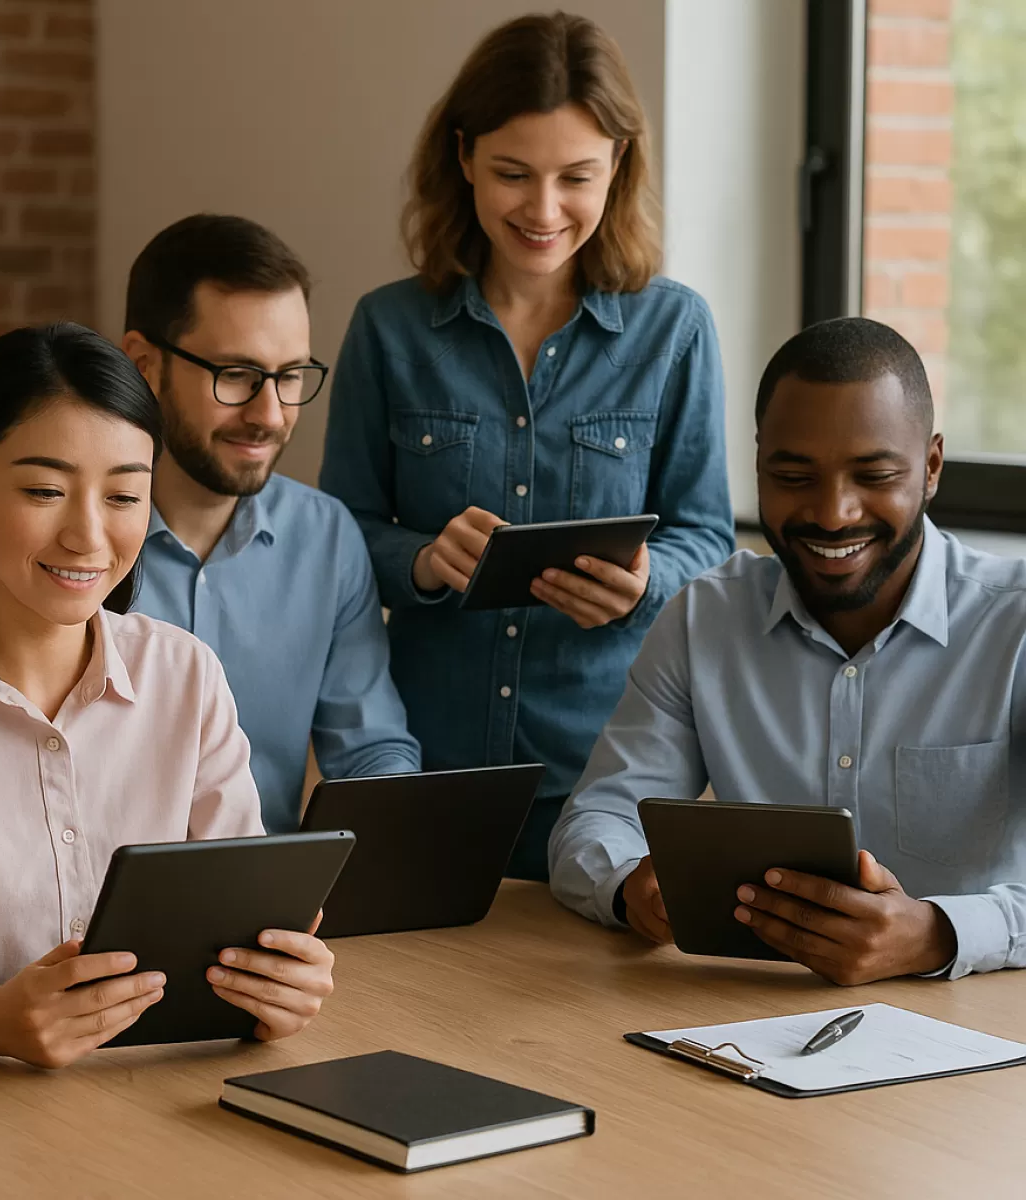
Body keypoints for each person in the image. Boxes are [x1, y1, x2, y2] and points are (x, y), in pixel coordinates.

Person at [0, 324, 335, 1073]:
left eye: (125, 494)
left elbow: (237, 931)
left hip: (155, 1110)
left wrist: (275, 987)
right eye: (44, 490)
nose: (88, 536)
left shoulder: (185, 677)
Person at [320, 12, 734, 880]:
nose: (543, 211)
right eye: (512, 173)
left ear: (617, 166)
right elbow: (344, 529)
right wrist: (426, 561)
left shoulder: (675, 329)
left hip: (603, 774)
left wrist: (644, 583)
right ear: (463, 155)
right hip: (428, 765)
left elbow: (708, 538)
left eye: (575, 177)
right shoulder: (388, 328)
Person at [549, 316, 1026, 983]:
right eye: (795, 476)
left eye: (874, 475)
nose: (833, 513)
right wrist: (631, 886)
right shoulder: (704, 618)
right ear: (758, 468)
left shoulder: (1016, 626)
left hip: (982, 1043)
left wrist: (940, 933)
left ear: (932, 467)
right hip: (745, 1019)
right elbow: (599, 817)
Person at [121, 215, 420, 832]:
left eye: (289, 377)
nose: (270, 414)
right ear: (144, 364)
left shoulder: (327, 536)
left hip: (264, 915)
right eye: (236, 375)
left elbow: (369, 749)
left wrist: (400, 828)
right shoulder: (71, 541)